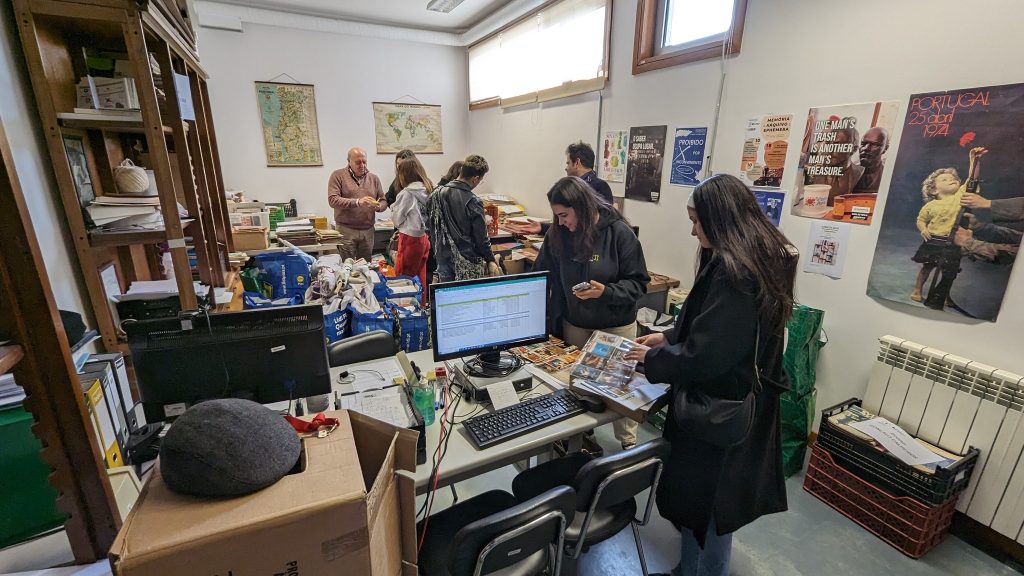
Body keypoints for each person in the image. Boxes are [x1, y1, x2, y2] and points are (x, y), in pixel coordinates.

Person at [624, 174, 795, 576]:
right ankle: (691, 568)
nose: (692, 229)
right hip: (733, 402)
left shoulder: (738, 275)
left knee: (712, 508)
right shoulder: (752, 257)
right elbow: (706, 324)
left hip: (719, 410)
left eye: (697, 220)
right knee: (703, 507)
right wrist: (666, 338)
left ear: (721, 219)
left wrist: (651, 363)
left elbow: (707, 356)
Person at [534, 177, 649, 449]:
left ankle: (628, 446)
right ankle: (582, 437)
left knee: (619, 392)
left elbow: (639, 284)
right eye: (556, 216)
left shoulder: (619, 232)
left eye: (564, 215)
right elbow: (541, 273)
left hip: (615, 327)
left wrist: (606, 292)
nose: (560, 222)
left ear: (582, 207)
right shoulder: (558, 234)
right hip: (576, 326)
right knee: (580, 390)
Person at [910, 147, 986, 302]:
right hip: (934, 240)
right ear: (933, 190)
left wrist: (974, 160)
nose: (952, 179)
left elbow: (972, 179)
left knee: (949, 272)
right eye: (944, 179)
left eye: (953, 178)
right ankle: (917, 290)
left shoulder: (960, 196)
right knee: (927, 267)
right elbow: (920, 220)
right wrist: (923, 229)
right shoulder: (930, 206)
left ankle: (945, 295)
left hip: (953, 241)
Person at [506, 142, 614, 236]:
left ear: (577, 163)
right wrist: (542, 228)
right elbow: (567, 225)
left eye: (568, 163)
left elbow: (597, 226)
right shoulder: (568, 188)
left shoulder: (600, 187)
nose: (566, 168)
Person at [426, 155, 501, 282]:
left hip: (442, 258)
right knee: (467, 299)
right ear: (475, 179)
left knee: (447, 298)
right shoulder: (473, 201)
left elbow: (430, 226)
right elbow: (481, 239)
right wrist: (490, 259)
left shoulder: (436, 194)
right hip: (466, 263)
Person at [328, 147, 387, 261]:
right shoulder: (338, 176)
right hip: (346, 230)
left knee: (366, 266)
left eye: (364, 162)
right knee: (347, 266)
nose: (362, 165)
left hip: (368, 230)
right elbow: (333, 200)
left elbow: (383, 200)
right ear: (349, 162)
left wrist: (379, 206)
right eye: (358, 162)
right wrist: (357, 202)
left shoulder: (374, 178)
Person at [391, 157, 433, 304]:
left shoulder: (407, 193)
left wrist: (393, 210)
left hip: (410, 240)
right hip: (424, 238)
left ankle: (406, 312)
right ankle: (420, 307)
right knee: (420, 276)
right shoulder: (427, 189)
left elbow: (396, 220)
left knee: (404, 279)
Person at [808, 119, 863, 206]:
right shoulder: (819, 170)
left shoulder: (859, 173)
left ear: (854, 149)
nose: (829, 149)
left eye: (837, 145)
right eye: (828, 143)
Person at [852, 126, 890, 193]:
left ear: (885, 149)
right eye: (863, 144)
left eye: (875, 145)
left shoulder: (888, 177)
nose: (866, 148)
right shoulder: (849, 173)